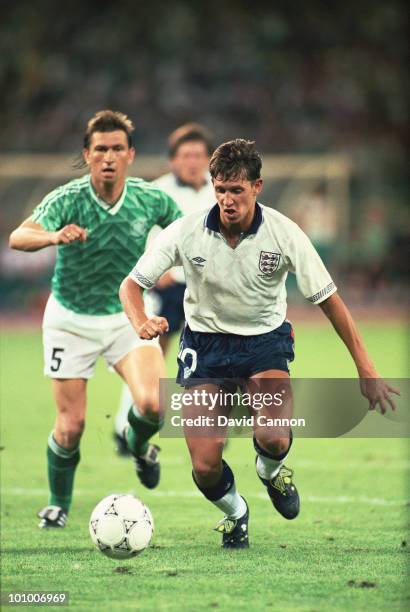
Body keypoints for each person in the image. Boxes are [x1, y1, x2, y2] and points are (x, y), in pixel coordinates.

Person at [119, 139, 398, 549]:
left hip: (264, 343)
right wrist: (140, 319)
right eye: (220, 189)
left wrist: (367, 369)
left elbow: (331, 302)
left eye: (236, 190)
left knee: (273, 437)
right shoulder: (186, 231)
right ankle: (236, 513)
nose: (227, 200)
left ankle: (270, 473)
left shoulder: (285, 233)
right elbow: (131, 284)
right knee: (205, 465)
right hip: (205, 350)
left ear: (257, 186)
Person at [9, 110, 182, 528]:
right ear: (87, 155)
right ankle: (57, 504)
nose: (109, 156)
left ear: (131, 155)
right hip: (71, 321)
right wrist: (53, 236)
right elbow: (19, 236)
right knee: (71, 426)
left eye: (117, 149)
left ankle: (140, 447)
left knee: (154, 404)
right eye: (101, 149)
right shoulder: (67, 199)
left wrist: (175, 268)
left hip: (128, 316)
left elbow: (186, 233)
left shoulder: (150, 199)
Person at [114, 123, 215, 452]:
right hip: (168, 287)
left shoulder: (222, 190)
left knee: (213, 359)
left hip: (211, 290)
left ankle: (209, 427)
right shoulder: (156, 192)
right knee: (152, 355)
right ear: (173, 160)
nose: (193, 161)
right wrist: (154, 271)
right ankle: (123, 427)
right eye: (185, 155)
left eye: (199, 155)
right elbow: (135, 235)